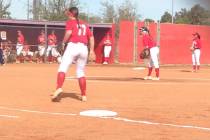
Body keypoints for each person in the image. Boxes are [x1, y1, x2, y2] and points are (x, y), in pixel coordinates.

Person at [51, 7, 95, 102]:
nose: (67, 13)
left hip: (73, 46)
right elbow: (91, 38)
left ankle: (59, 88)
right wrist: (91, 50)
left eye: (68, 12)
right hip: (84, 48)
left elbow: (69, 32)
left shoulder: (70, 22)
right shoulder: (84, 23)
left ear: (71, 14)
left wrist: (63, 43)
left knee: (62, 68)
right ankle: (83, 95)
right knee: (80, 72)